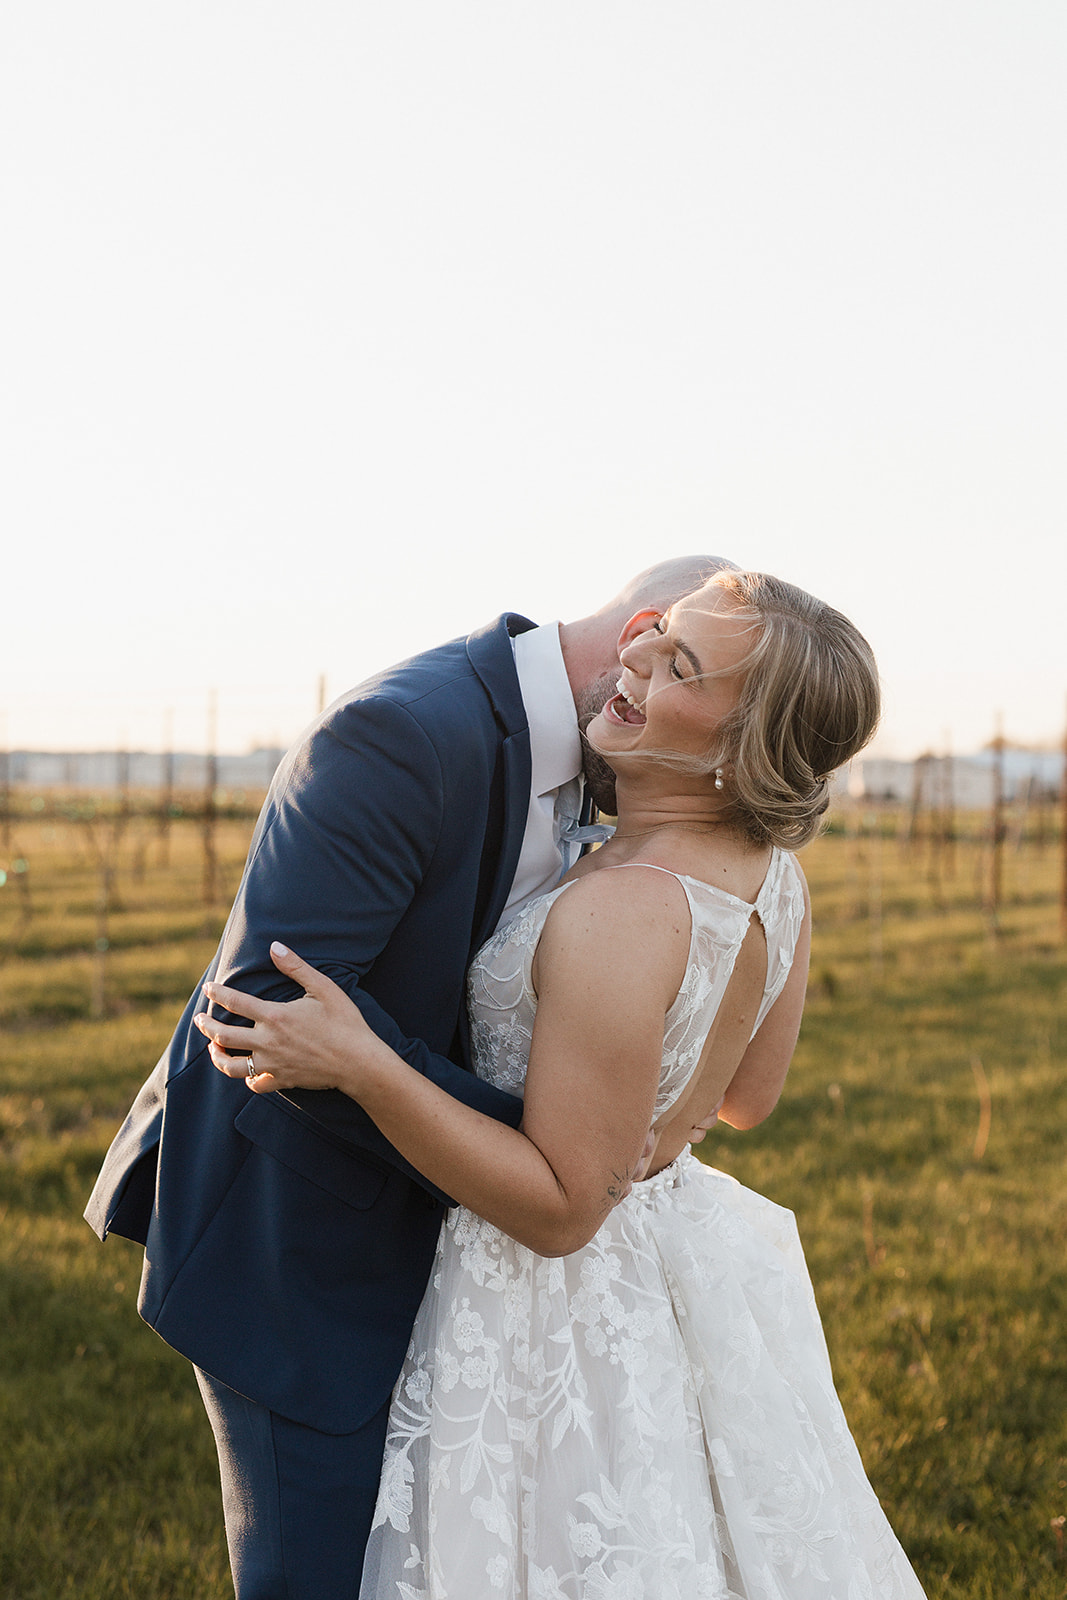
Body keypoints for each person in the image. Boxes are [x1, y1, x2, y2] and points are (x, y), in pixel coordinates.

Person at [200, 569, 928, 1599]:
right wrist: (658, 1112)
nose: (632, 656)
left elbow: (558, 1209)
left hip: (544, 1305)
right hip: (669, 1262)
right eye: (657, 633)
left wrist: (362, 1063)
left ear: (738, 748)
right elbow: (744, 1096)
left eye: (681, 666)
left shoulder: (616, 911)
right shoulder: (771, 874)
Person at [84, 553, 732, 1600]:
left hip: (463, 1257)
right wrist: (557, 1149)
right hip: (301, 1246)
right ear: (646, 639)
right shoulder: (403, 735)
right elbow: (263, 1018)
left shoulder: (600, 760)